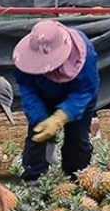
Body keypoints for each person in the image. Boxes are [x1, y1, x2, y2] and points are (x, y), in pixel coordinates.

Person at [13, 20, 99, 183]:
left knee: (77, 140)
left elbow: (84, 91)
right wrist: (40, 118)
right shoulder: (24, 58)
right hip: (42, 95)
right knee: (36, 135)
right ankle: (33, 179)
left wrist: (60, 117)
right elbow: (27, 89)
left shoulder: (84, 53)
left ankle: (75, 179)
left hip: (77, 98)